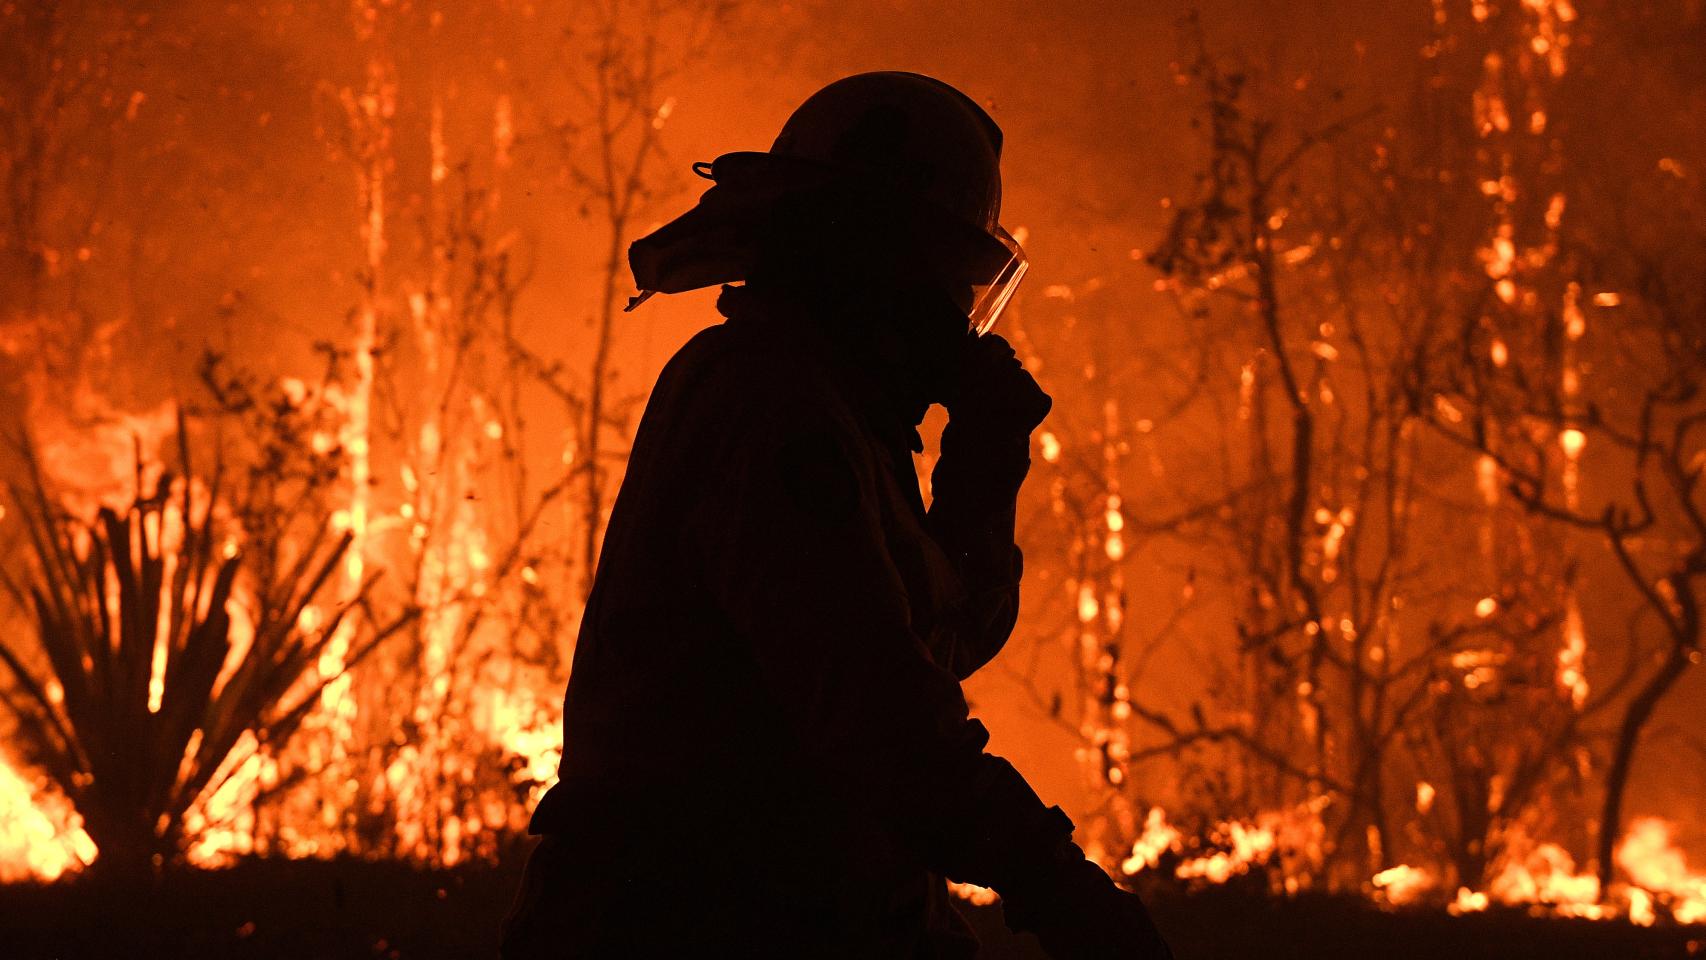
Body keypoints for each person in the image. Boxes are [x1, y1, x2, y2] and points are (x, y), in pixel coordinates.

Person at [501, 72, 1173, 960]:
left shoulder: (831, 414)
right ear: (876, 258)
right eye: (944, 277)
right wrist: (1059, 886)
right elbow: (879, 716)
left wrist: (983, 468)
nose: (956, 318)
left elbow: (939, 639)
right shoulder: (769, 407)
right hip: (696, 920)